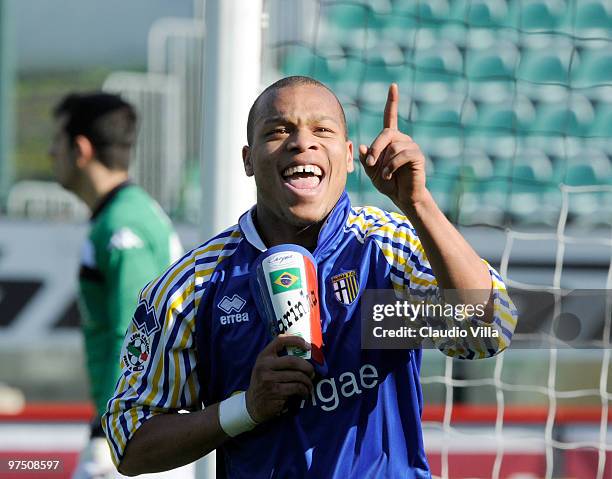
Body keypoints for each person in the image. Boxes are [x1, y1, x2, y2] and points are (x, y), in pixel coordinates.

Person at [102, 76, 517, 478]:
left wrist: (417, 202)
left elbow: (486, 331)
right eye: (279, 130)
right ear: (248, 160)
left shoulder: (386, 253)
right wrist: (246, 407)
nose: (303, 142)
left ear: (350, 154)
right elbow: (130, 443)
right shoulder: (194, 286)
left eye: (323, 129)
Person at [49, 92, 184, 478]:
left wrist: (111, 427)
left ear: (80, 148)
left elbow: (133, 334)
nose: (48, 152)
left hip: (132, 431)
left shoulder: (123, 226)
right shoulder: (123, 214)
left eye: (55, 141)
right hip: (132, 426)